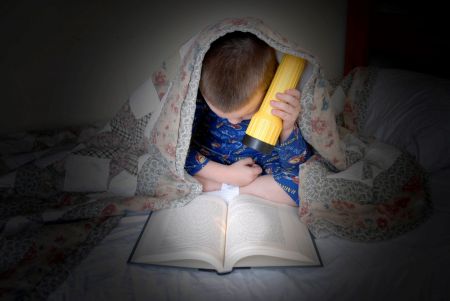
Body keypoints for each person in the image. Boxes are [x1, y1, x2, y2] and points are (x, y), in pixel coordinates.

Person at [184, 31, 313, 206]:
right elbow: (177, 150)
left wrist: (288, 128)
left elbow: (295, 166)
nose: (234, 121)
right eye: (221, 114)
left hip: (260, 171)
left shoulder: (279, 103)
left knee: (305, 185)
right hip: (209, 165)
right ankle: (222, 184)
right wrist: (226, 175)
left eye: (245, 114)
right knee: (169, 167)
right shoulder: (197, 100)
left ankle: (225, 189)